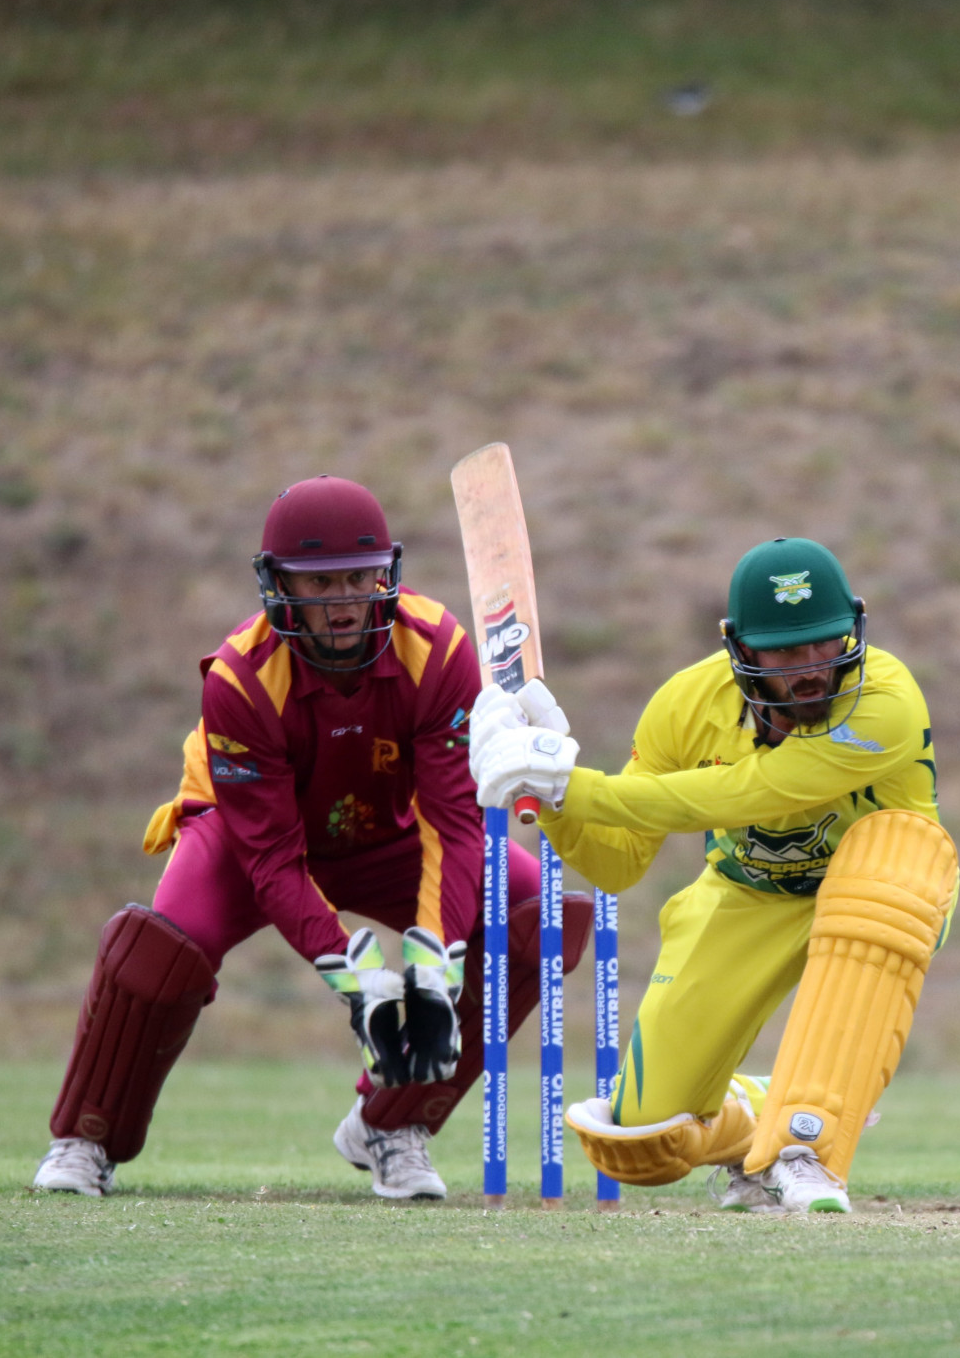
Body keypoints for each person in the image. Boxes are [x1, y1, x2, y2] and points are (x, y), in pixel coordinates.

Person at [31, 475, 588, 1200]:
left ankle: (390, 1123)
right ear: (279, 586)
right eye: (320, 583)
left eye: (359, 578)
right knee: (157, 953)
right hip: (246, 841)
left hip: (389, 836)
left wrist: (432, 964)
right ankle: (86, 1136)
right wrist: (358, 982)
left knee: (537, 914)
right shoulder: (239, 675)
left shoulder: (439, 648)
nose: (344, 601)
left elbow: (455, 827)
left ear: (386, 574)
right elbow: (270, 857)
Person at [469, 537, 957, 1213]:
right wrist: (548, 794)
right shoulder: (683, 706)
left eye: (824, 642)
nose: (811, 667)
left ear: (854, 627)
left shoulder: (885, 699)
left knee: (886, 864)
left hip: (885, 882)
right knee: (641, 1140)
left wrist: (575, 784)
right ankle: (762, 1109)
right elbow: (618, 861)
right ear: (741, 648)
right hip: (747, 892)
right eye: (786, 652)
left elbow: (749, 794)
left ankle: (804, 1146)